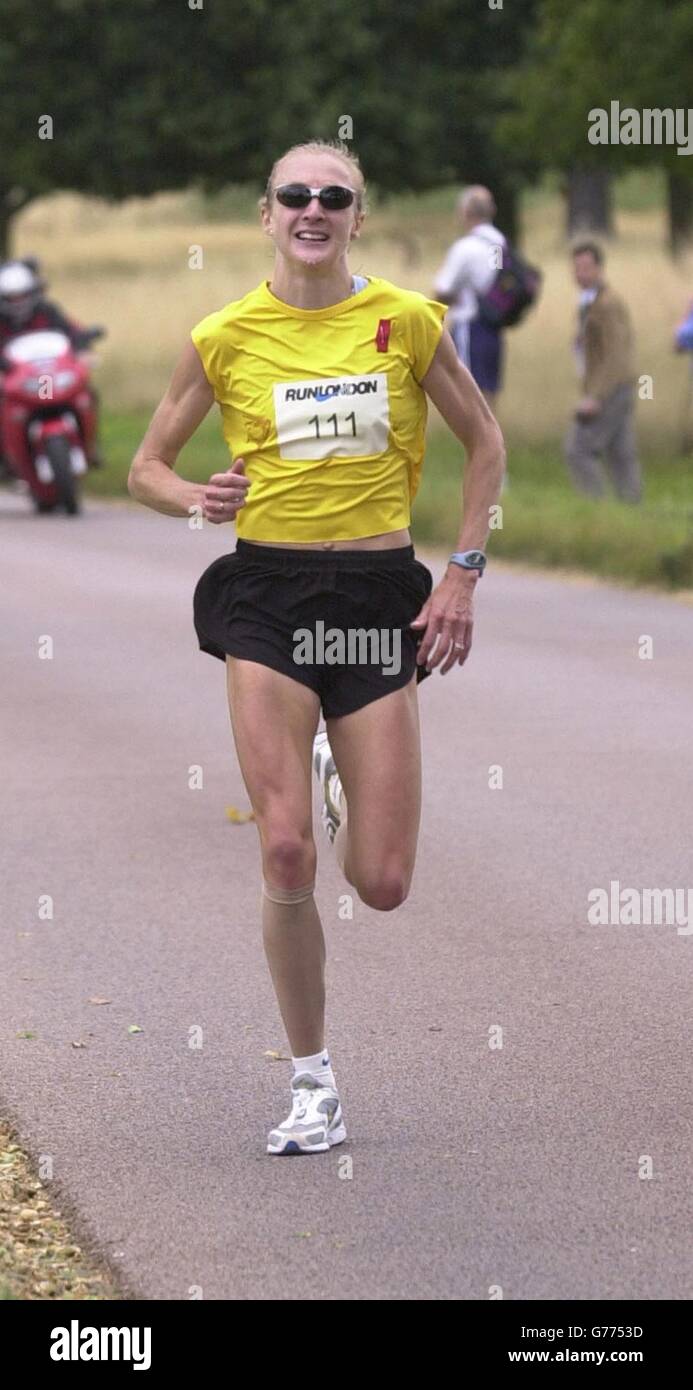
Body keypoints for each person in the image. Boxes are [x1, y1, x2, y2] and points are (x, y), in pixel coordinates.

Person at [128, 139, 505, 1156]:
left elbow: (485, 442)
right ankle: (312, 1082)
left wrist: (463, 571)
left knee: (382, 881)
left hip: (380, 594)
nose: (312, 208)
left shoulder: (407, 322)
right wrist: (192, 497)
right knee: (284, 845)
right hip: (267, 593)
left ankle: (342, 768)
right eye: (294, 194)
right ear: (266, 215)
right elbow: (146, 464)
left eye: (332, 196)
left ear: (357, 216)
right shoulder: (223, 334)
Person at [0, 259, 103, 474]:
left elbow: (72, 331)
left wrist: (83, 348)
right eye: (12, 297)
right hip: (17, 381)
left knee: (87, 395)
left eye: (22, 295)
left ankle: (92, 445)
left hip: (50, 376)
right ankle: (7, 458)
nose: (18, 302)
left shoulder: (46, 311)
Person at [565, 240, 641, 503]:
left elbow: (616, 353)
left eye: (586, 267)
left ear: (600, 268)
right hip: (616, 387)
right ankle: (633, 514)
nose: (580, 273)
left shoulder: (606, 304)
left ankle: (596, 507)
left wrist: (595, 397)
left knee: (578, 450)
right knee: (621, 454)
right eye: (576, 268)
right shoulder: (590, 302)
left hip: (610, 389)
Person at [432, 185, 507, 413]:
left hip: (470, 322)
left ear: (466, 212)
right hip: (493, 322)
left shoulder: (465, 248)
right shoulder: (499, 243)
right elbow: (496, 278)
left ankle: (477, 437)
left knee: (468, 383)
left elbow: (442, 289)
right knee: (489, 385)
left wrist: (456, 296)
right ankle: (492, 433)